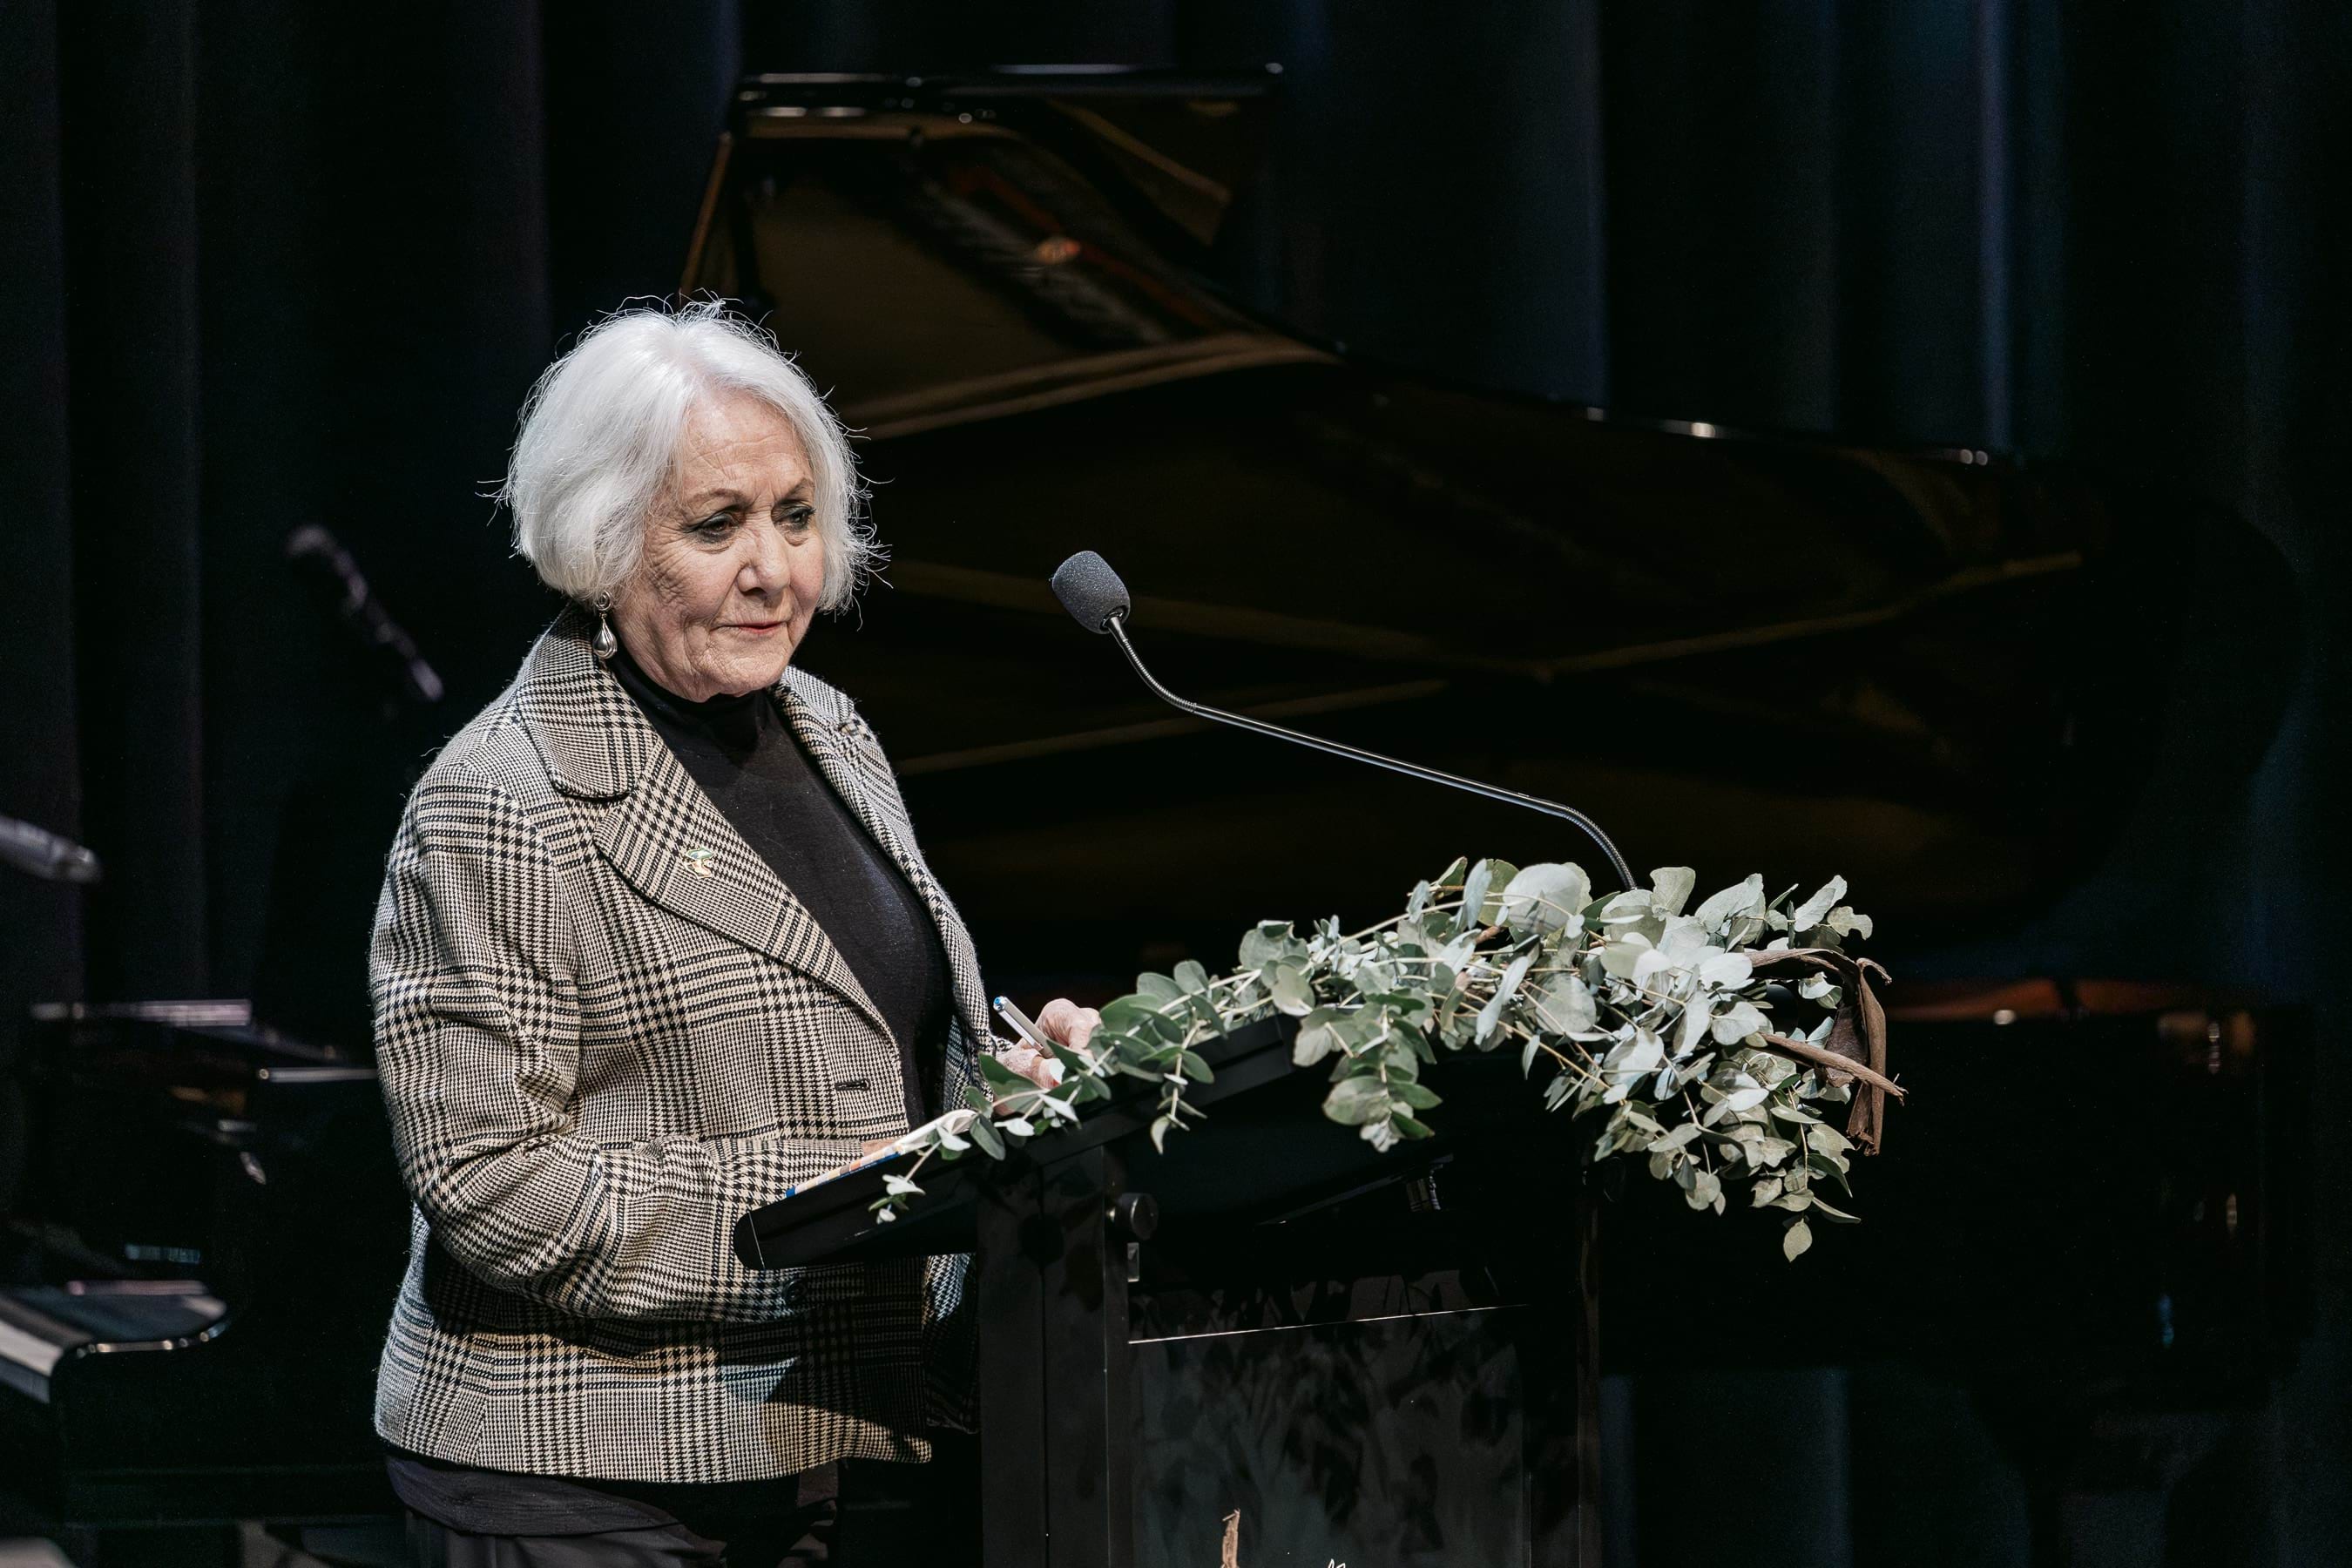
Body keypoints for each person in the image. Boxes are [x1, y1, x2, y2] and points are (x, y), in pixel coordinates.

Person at [368, 301, 1096, 1565]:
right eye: (717, 527)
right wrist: (842, 1204)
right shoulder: (499, 804)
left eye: (796, 516)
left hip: (823, 1436)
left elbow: (867, 1023)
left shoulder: (826, 724)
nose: (776, 571)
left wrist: (1016, 1074)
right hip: (585, 1475)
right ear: (602, 543)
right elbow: (493, 1182)